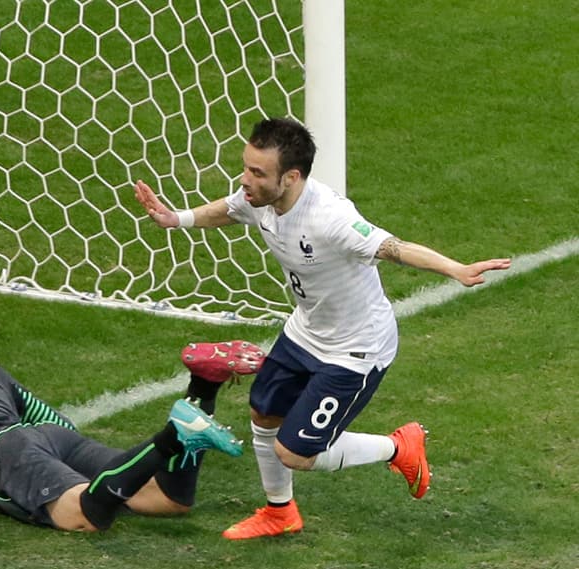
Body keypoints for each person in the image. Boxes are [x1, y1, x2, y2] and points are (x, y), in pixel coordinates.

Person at [135, 117, 512, 540]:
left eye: (257, 173)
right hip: (306, 331)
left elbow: (394, 248)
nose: (245, 180)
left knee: (295, 452)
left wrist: (454, 268)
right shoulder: (258, 197)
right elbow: (228, 210)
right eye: (245, 167)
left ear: (291, 177)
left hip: (356, 349)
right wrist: (177, 219)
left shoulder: (330, 218)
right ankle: (280, 513)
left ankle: (399, 446)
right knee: (263, 413)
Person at [0, 300, 247, 532]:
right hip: (47, 436)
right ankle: (203, 387)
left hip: (0, 454)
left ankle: (174, 434)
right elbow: (57, 422)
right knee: (167, 498)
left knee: (86, 515)